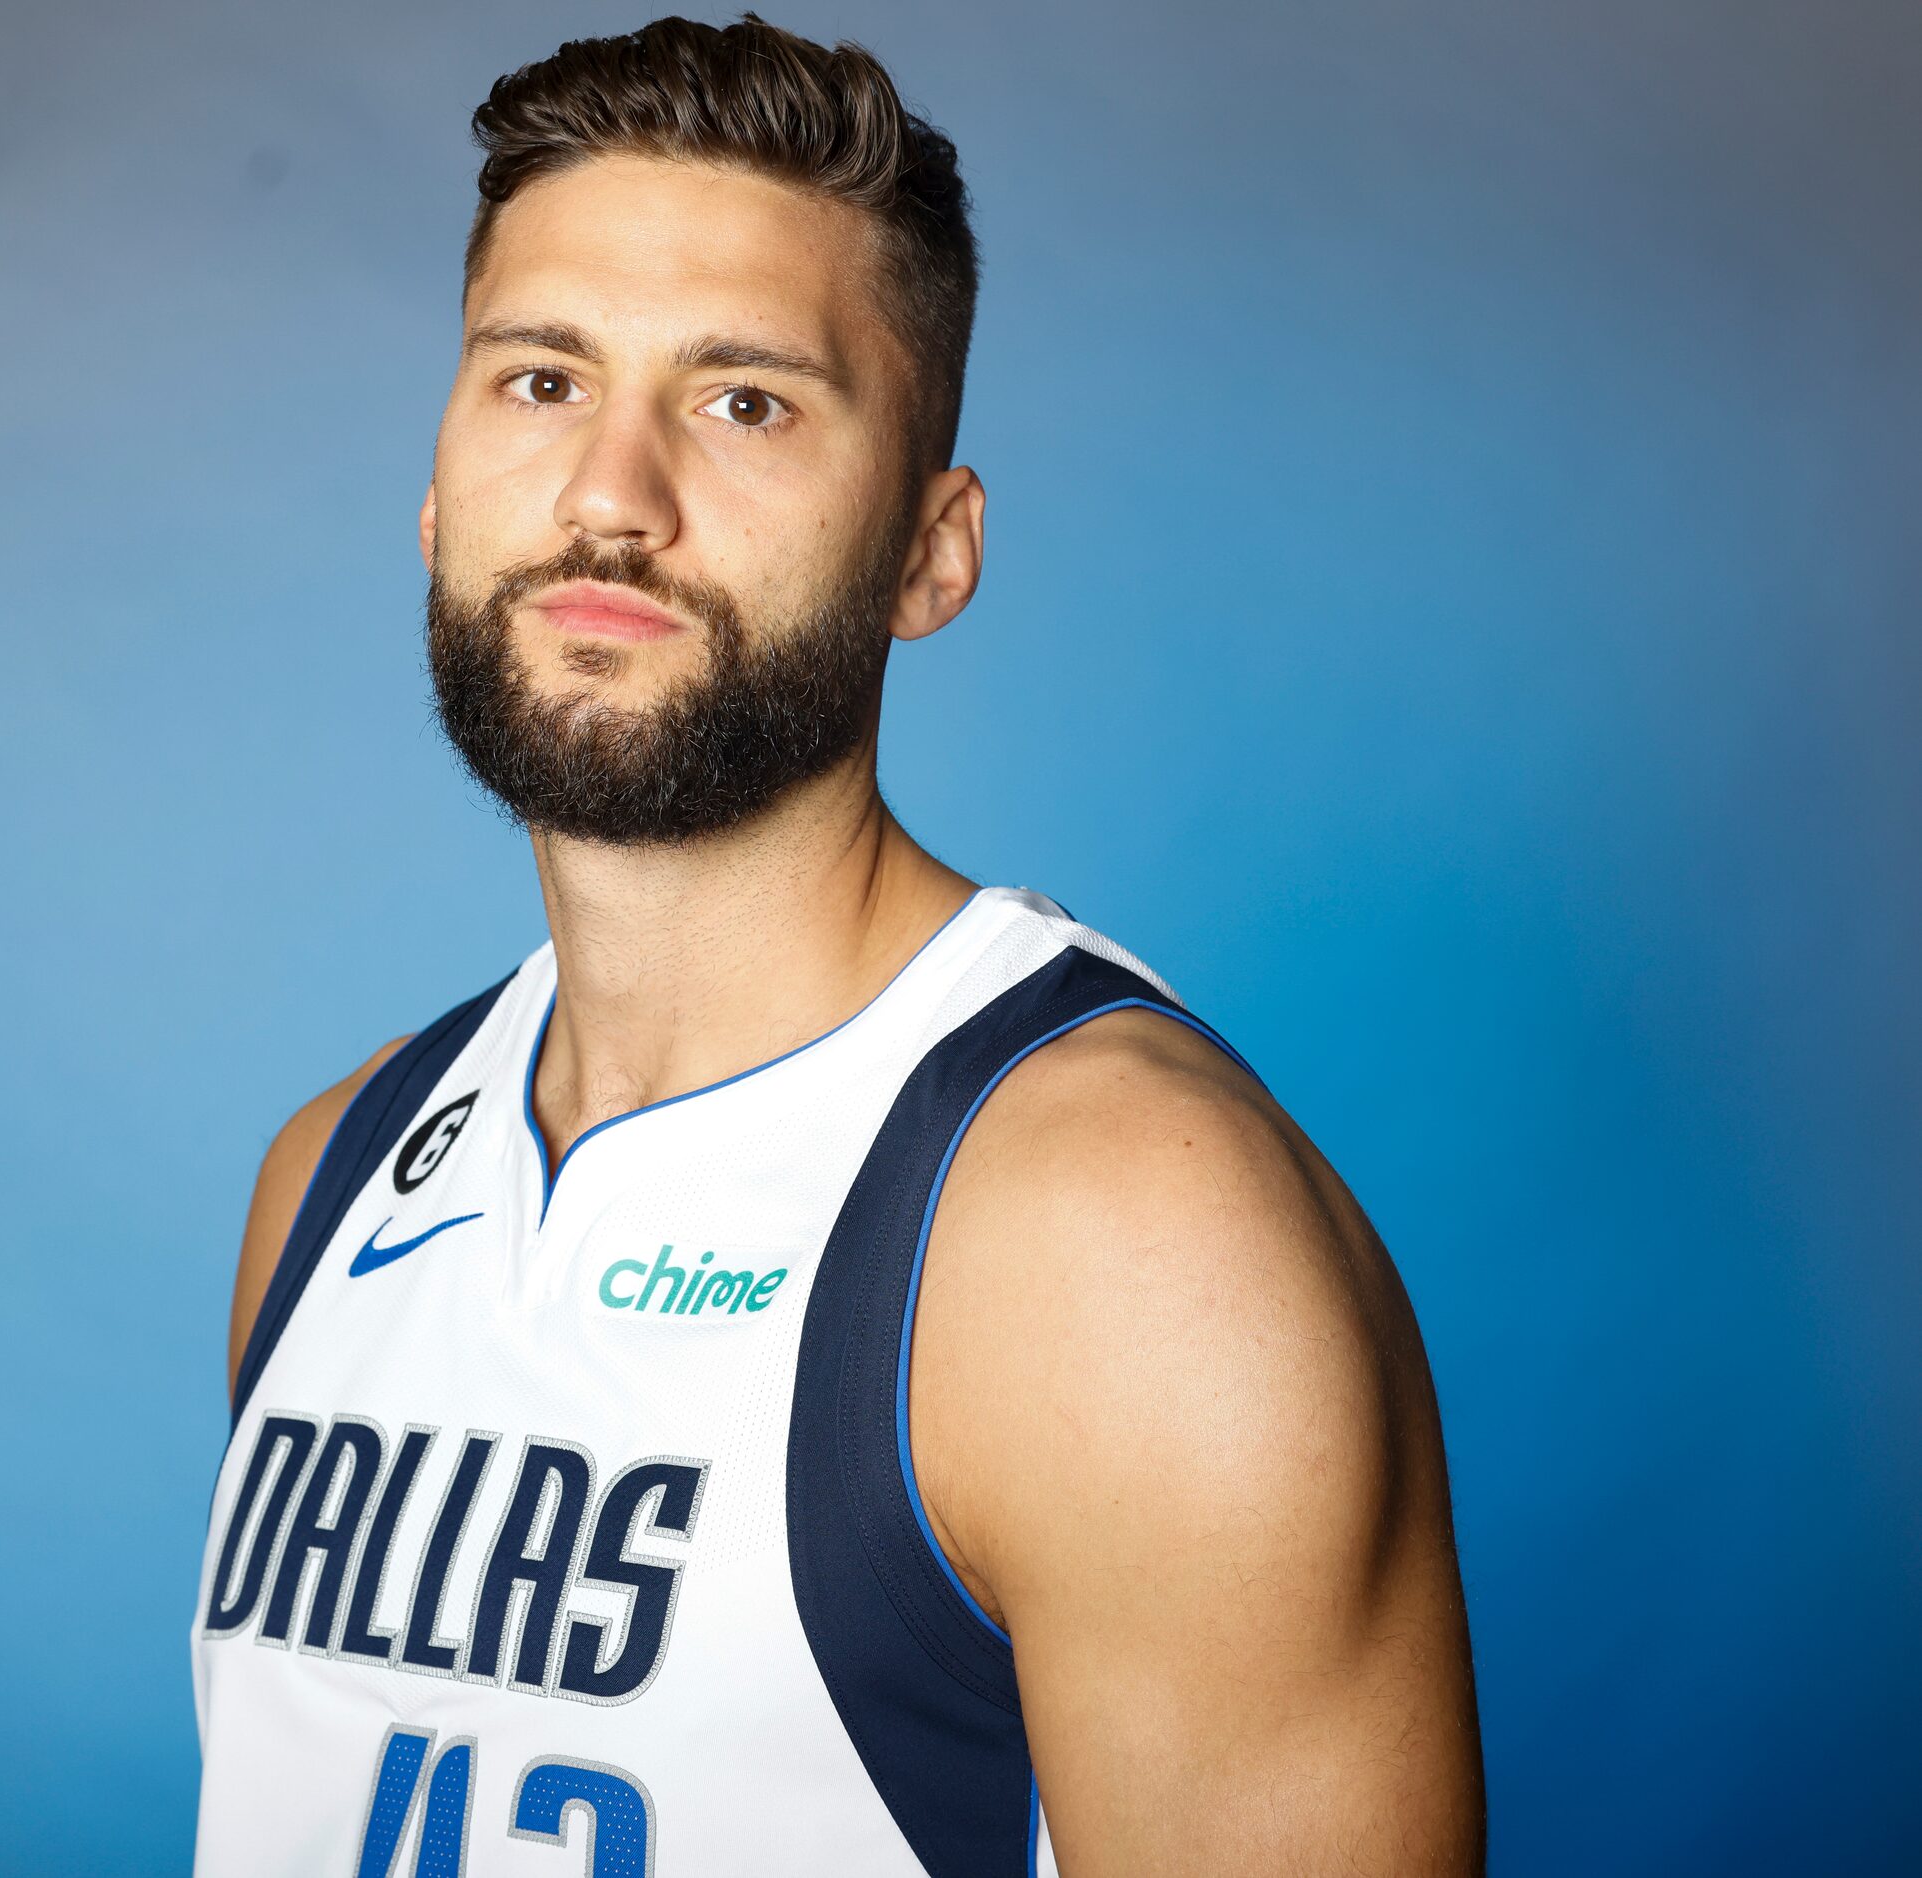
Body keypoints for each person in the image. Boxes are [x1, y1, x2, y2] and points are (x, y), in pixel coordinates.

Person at [192, 15, 1484, 1874]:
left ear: (930, 552)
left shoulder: (1115, 1233)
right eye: (541, 379)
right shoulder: (325, 1181)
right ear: (434, 479)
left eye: (745, 402)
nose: (611, 494)